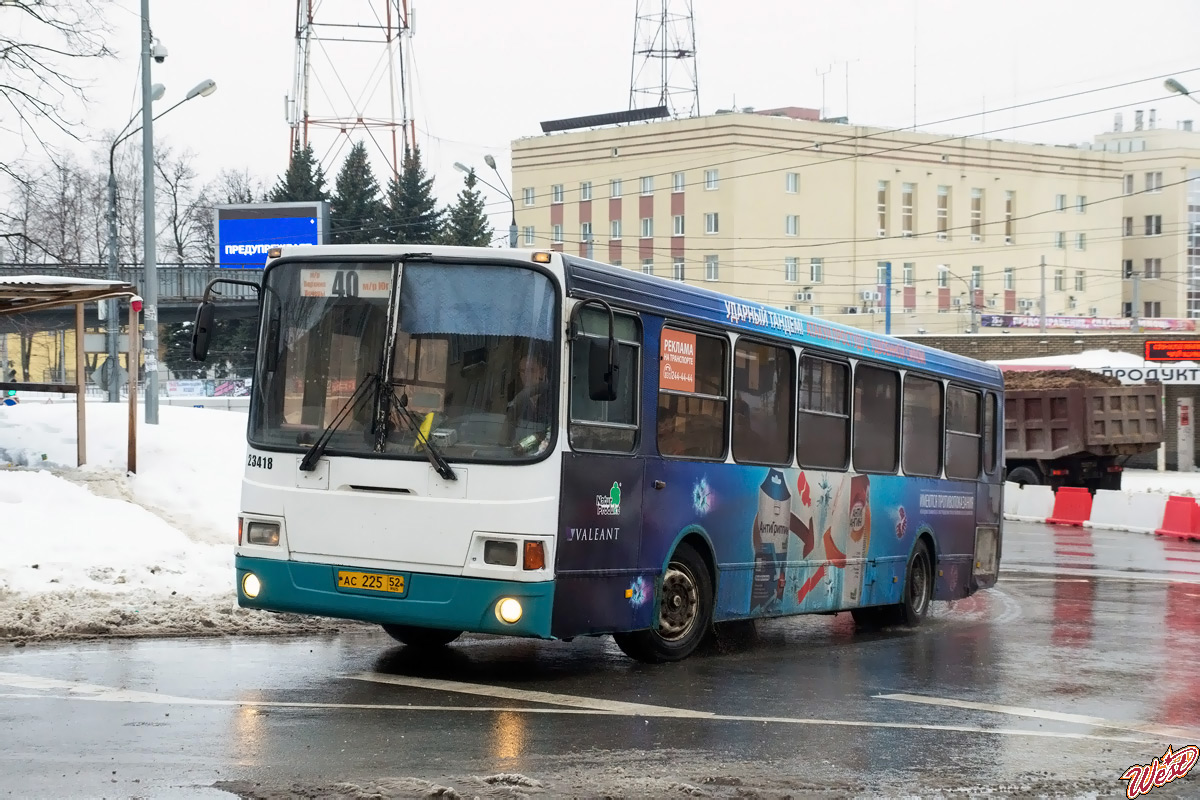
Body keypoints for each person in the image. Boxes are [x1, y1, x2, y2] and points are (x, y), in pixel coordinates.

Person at [504, 351, 551, 451]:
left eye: (531, 370)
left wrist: (527, 443)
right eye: (522, 371)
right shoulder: (517, 402)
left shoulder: (555, 400)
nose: (526, 375)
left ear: (542, 372)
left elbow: (555, 431)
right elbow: (506, 434)